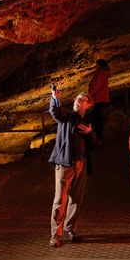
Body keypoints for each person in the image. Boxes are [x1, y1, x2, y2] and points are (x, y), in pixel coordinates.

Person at [48, 88, 96, 247]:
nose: (78, 100)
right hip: (65, 163)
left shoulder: (86, 122)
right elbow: (55, 112)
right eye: (77, 98)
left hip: (80, 163)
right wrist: (55, 98)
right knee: (60, 200)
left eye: (82, 100)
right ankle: (55, 235)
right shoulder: (67, 116)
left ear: (88, 105)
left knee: (76, 199)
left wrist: (90, 133)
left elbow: (94, 146)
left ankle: (70, 229)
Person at [86, 58, 111, 140]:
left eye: (96, 65)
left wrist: (89, 95)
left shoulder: (101, 74)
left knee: (96, 119)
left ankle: (98, 138)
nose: (95, 67)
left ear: (99, 65)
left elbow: (97, 87)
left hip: (99, 99)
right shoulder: (101, 73)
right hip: (99, 98)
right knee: (96, 118)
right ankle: (97, 137)